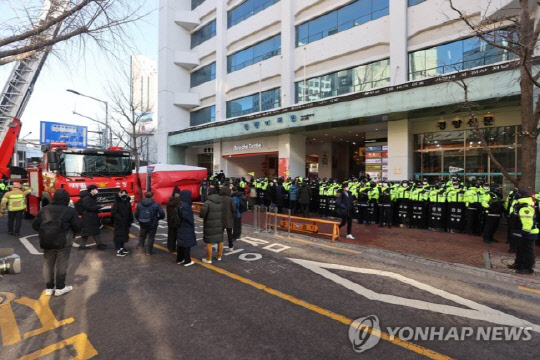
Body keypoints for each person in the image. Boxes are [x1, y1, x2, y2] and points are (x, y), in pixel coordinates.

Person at [32, 189, 82, 296]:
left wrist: (46, 232)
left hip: (47, 241)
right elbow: (77, 227)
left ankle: (49, 288)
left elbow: (35, 225)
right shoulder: (70, 211)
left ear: (53, 198)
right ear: (67, 199)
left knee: (47, 264)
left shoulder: (44, 209)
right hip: (64, 242)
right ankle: (60, 287)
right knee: (62, 264)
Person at [507, 189, 537, 274]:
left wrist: (524, 233)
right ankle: (518, 264)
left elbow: (527, 222)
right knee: (519, 248)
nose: (516, 195)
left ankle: (527, 268)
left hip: (528, 232)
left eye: (518, 194)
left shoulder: (525, 206)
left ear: (521, 195)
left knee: (527, 251)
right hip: (521, 231)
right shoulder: (519, 204)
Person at [134, 191, 165, 255]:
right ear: (152, 196)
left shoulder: (140, 204)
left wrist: (140, 220)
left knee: (142, 236)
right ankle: (148, 251)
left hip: (142, 223)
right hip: (152, 224)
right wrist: (158, 218)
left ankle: (140, 250)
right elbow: (162, 213)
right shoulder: (156, 204)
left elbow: (136, 214)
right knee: (151, 237)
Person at [79, 185, 107, 250]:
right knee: (86, 232)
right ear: (92, 190)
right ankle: (82, 247)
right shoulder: (87, 198)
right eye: (95, 189)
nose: (96, 191)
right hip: (88, 217)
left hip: (91, 216)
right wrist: (99, 207)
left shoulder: (91, 197)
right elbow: (89, 207)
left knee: (93, 231)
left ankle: (99, 245)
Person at [200, 189, 223, 263]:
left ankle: (208, 259)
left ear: (209, 194)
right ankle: (219, 256)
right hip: (220, 223)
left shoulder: (207, 203)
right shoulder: (221, 201)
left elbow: (202, 215)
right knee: (220, 240)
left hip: (209, 224)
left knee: (209, 241)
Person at [176, 190, 196, 266]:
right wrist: (191, 221)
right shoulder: (185, 205)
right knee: (186, 244)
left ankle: (179, 259)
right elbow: (186, 216)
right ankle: (187, 260)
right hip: (186, 227)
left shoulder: (181, 204)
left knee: (181, 244)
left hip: (181, 226)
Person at [111, 189, 133, 257]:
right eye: (122, 193)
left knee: (124, 236)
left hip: (126, 222)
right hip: (119, 223)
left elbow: (130, 212)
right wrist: (120, 218)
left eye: (125, 193)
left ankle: (122, 248)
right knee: (118, 236)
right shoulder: (117, 202)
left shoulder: (127, 201)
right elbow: (114, 212)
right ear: (120, 194)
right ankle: (118, 250)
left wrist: (131, 220)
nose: (124, 194)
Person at [220, 186, 236, 250]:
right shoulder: (230, 199)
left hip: (220, 218)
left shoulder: (219, 198)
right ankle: (230, 246)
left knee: (220, 234)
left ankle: (220, 246)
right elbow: (234, 208)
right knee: (229, 233)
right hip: (229, 218)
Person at [166, 187, 182, 252]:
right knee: (179, 235)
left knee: (171, 235)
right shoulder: (180, 201)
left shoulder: (169, 201)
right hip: (178, 221)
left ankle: (171, 247)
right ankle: (179, 248)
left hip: (170, 221)